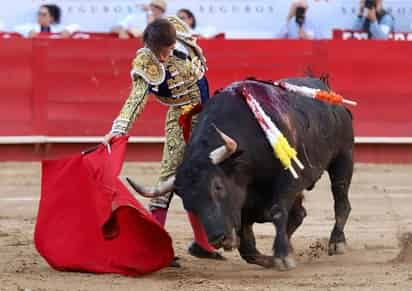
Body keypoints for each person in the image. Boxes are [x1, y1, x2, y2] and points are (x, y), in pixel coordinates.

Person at [103, 17, 223, 265]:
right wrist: (118, 129)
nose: (164, 57)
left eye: (167, 50)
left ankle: (203, 244)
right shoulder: (146, 63)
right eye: (161, 52)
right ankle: (152, 246)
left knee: (204, 178)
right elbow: (135, 100)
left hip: (207, 114)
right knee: (168, 179)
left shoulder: (176, 28)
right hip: (181, 120)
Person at [14, 4, 79, 38]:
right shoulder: (31, 27)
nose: (40, 17)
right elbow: (15, 29)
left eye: (44, 15)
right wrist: (28, 32)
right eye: (39, 14)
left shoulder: (59, 28)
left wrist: (68, 30)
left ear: (52, 18)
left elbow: (77, 26)